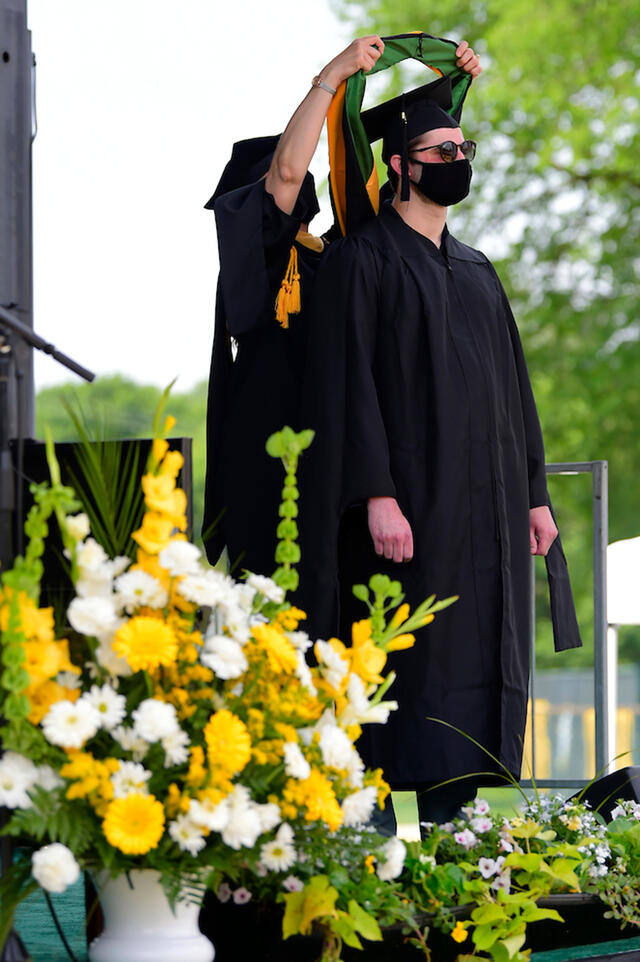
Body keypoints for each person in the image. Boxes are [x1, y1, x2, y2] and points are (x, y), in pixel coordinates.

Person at [298, 84, 582, 833]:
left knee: (478, 658)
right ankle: (377, 846)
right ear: (400, 165)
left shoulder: (478, 269)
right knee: (414, 668)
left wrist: (534, 496)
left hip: (483, 512)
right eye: (441, 152)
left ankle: (454, 843)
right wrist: (376, 493)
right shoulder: (362, 262)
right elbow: (348, 385)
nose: (457, 162)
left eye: (463, 151)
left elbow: (515, 393)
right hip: (413, 508)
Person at [202, 37, 481, 574]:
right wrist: (332, 76)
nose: (298, 175)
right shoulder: (260, 259)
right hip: (275, 457)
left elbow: (410, 173)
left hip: (340, 465)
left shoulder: (343, 255)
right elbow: (283, 175)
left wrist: (455, 92)